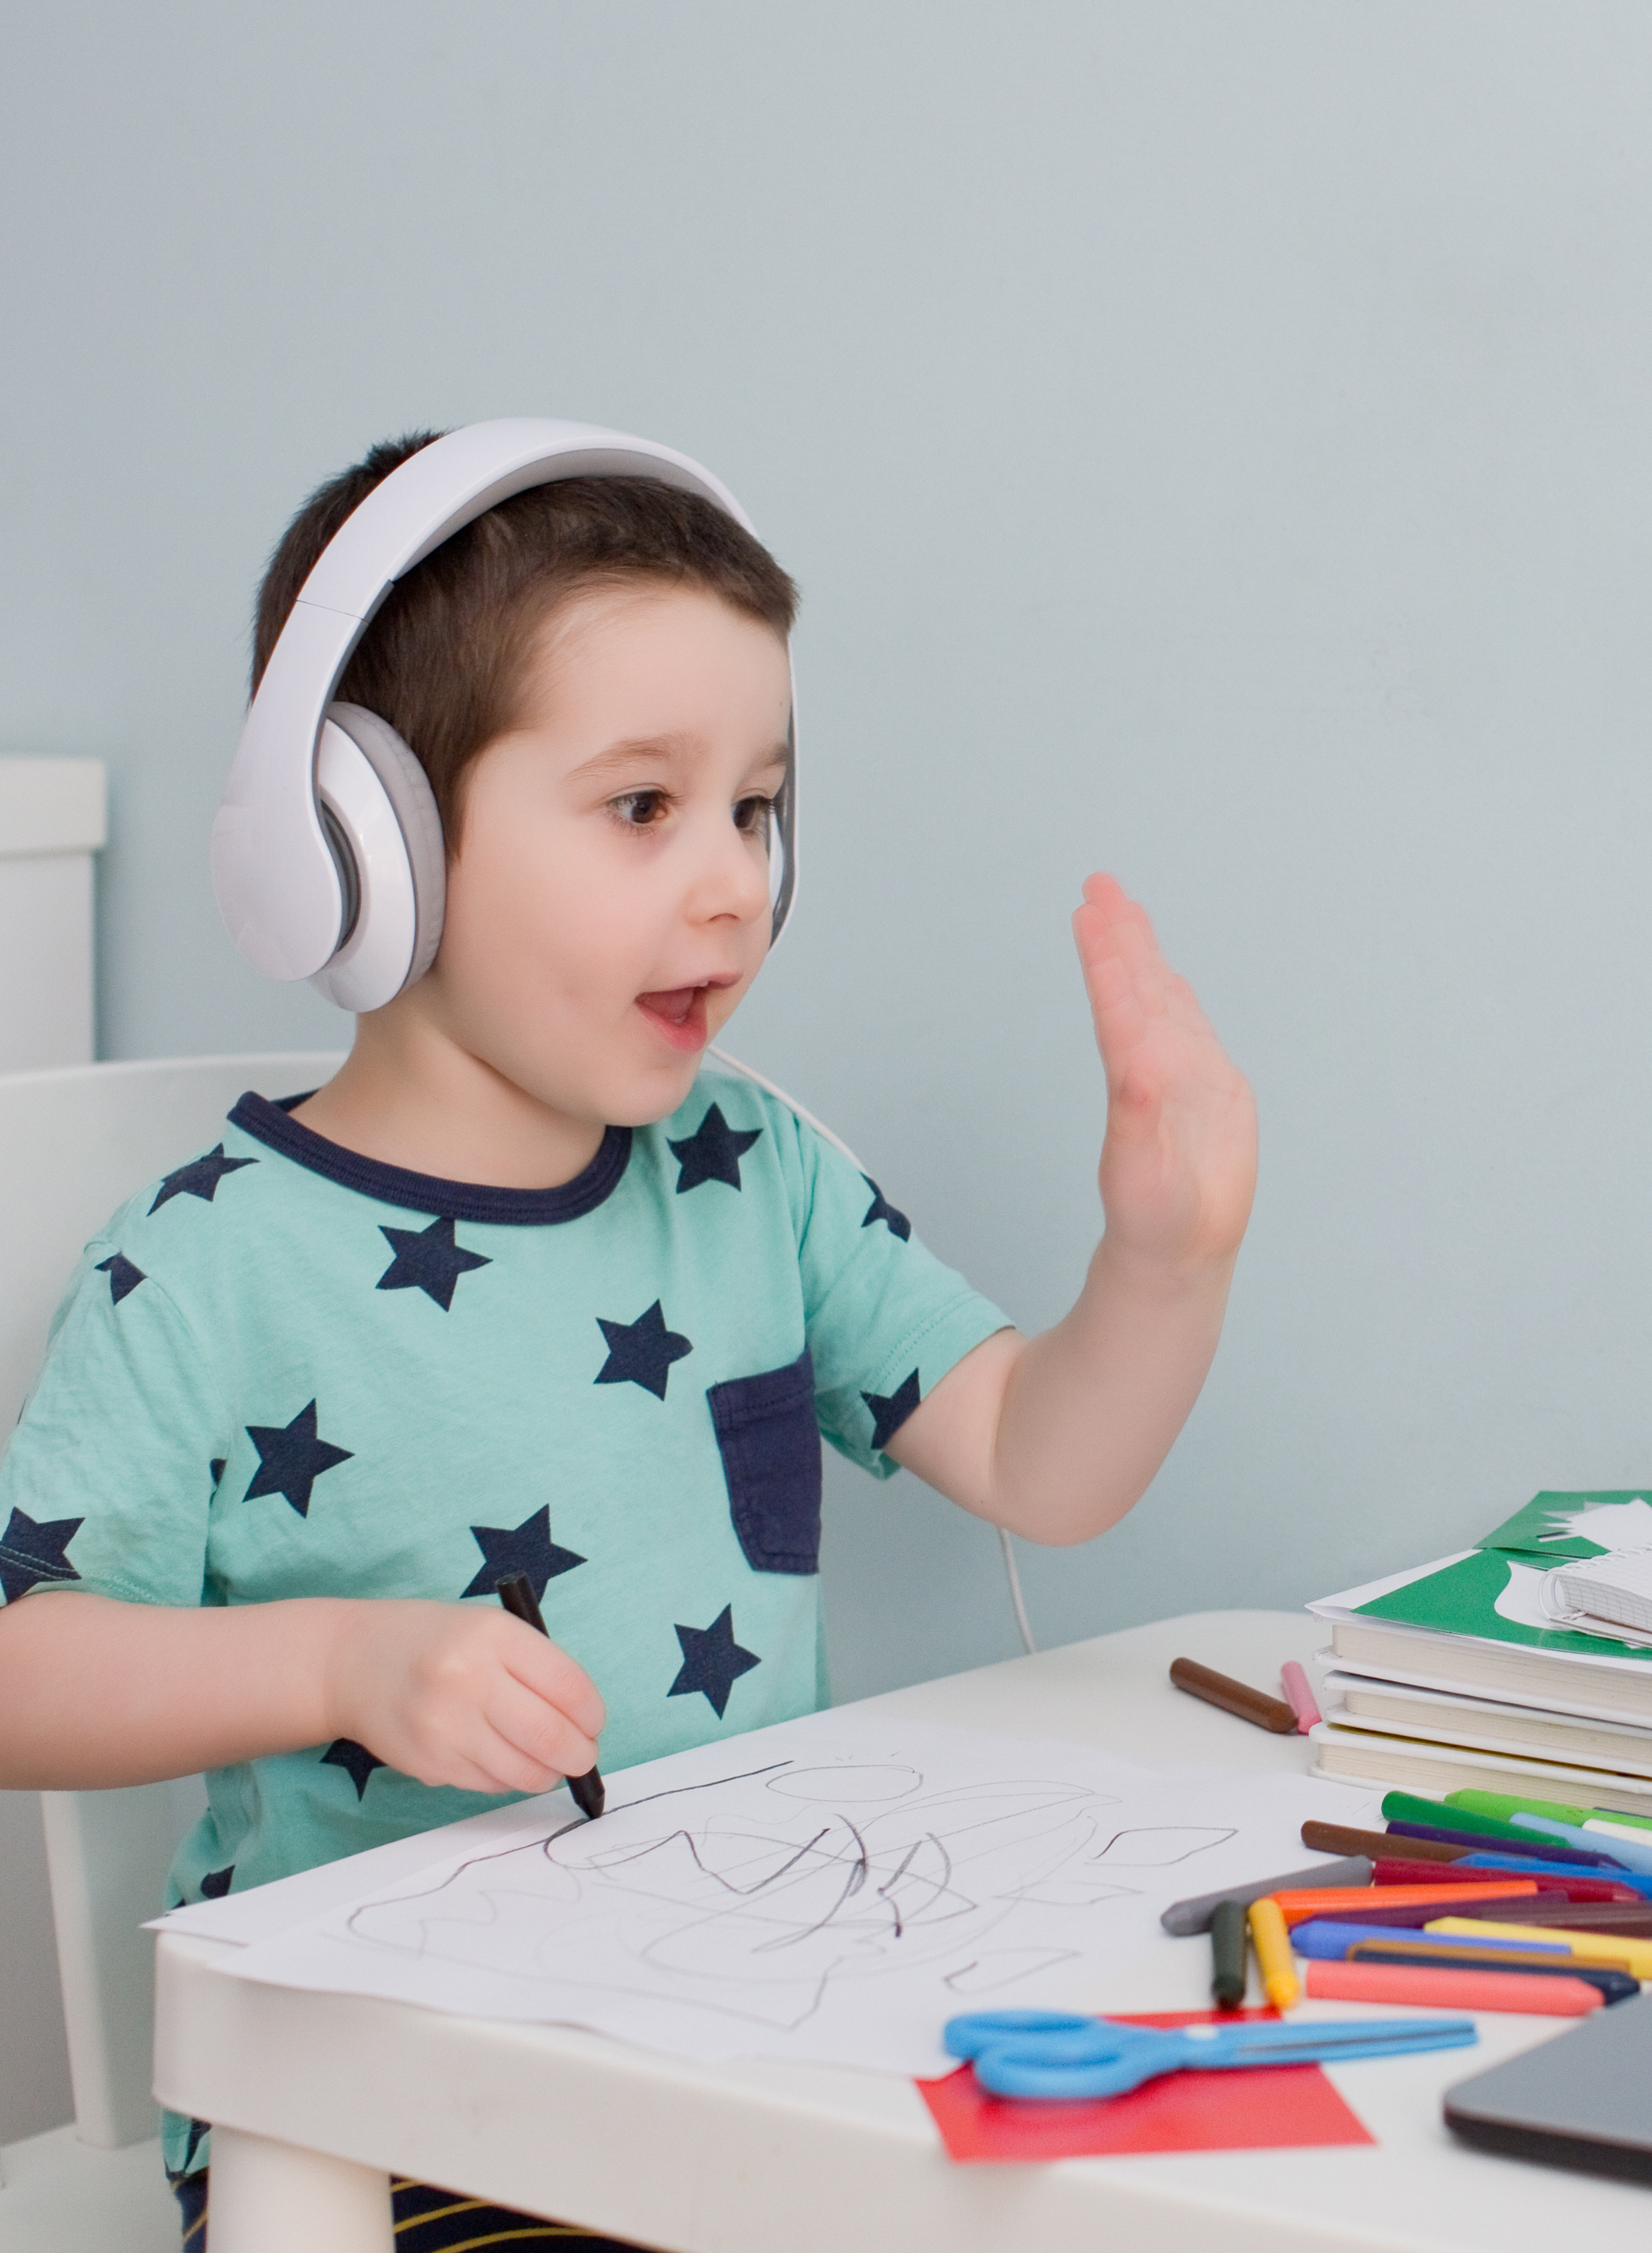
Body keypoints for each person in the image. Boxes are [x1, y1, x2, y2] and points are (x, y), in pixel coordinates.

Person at [0, 431, 1258, 2249]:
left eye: (755, 807)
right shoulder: (206, 1268)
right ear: (370, 850)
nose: (737, 884)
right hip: (398, 2130)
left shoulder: (753, 1170)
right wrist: (341, 1667)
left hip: (758, 2064)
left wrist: (1164, 1260)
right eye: (641, 808)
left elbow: (1039, 1467)